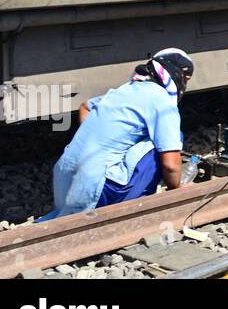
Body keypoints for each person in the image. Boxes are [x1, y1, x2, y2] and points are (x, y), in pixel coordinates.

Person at [42, 49, 195, 220]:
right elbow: (170, 164)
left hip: (63, 183)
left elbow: (85, 106)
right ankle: (134, 204)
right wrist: (177, 190)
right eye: (186, 79)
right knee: (166, 141)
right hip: (99, 190)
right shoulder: (162, 100)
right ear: (177, 73)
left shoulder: (124, 90)